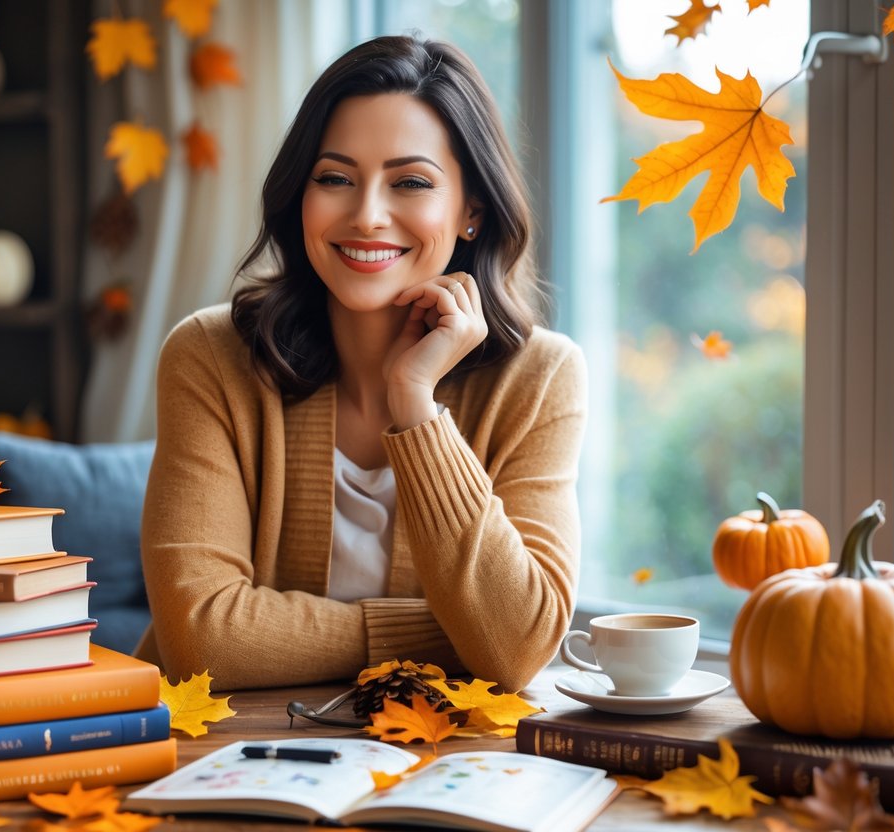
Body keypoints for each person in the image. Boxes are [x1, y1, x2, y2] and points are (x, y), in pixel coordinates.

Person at [135, 35, 587, 692]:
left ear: (470, 212)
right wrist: (448, 634)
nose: (367, 214)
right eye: (334, 179)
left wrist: (414, 402)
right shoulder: (209, 357)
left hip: (445, 761)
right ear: (301, 196)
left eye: (409, 182)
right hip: (222, 759)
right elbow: (203, 638)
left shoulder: (539, 378)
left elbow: (516, 651)